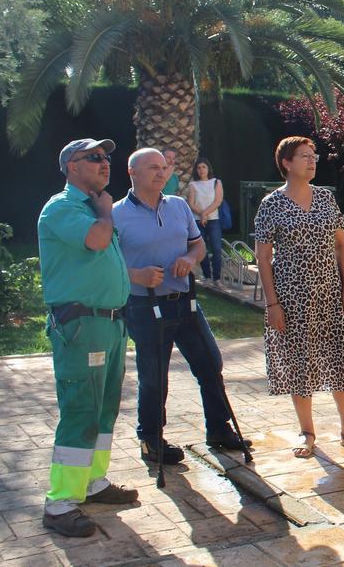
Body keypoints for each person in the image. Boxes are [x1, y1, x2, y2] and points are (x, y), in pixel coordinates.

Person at [113, 148, 251, 468]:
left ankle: (219, 428)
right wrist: (136, 275)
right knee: (154, 376)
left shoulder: (177, 206)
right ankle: (151, 440)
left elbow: (198, 243)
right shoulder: (116, 214)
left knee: (210, 364)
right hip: (144, 306)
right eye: (152, 168)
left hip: (185, 302)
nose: (161, 173)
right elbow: (104, 263)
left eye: (163, 168)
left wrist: (190, 259)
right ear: (132, 172)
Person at [37, 137, 139, 537]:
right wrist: (104, 212)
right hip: (82, 326)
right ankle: (60, 502)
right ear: (71, 167)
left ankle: (91, 483)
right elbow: (96, 241)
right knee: (81, 408)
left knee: (104, 408)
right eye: (94, 157)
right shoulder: (63, 208)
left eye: (106, 157)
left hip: (110, 323)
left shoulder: (93, 210)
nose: (104, 163)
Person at [254, 136, 344, 458]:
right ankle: (307, 433)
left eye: (314, 155)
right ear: (286, 163)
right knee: (300, 366)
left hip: (329, 293)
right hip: (292, 297)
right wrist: (272, 304)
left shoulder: (325, 198)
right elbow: (263, 259)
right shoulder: (272, 204)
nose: (312, 161)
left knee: (342, 361)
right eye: (304, 156)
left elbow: (341, 243)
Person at [186, 158, 223, 283]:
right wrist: (202, 215)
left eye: (204, 167)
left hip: (213, 220)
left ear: (208, 168)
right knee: (202, 249)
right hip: (197, 221)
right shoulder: (193, 185)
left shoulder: (216, 182)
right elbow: (191, 203)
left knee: (216, 248)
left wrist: (205, 214)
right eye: (199, 167)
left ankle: (217, 277)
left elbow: (218, 201)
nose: (201, 170)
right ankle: (207, 276)